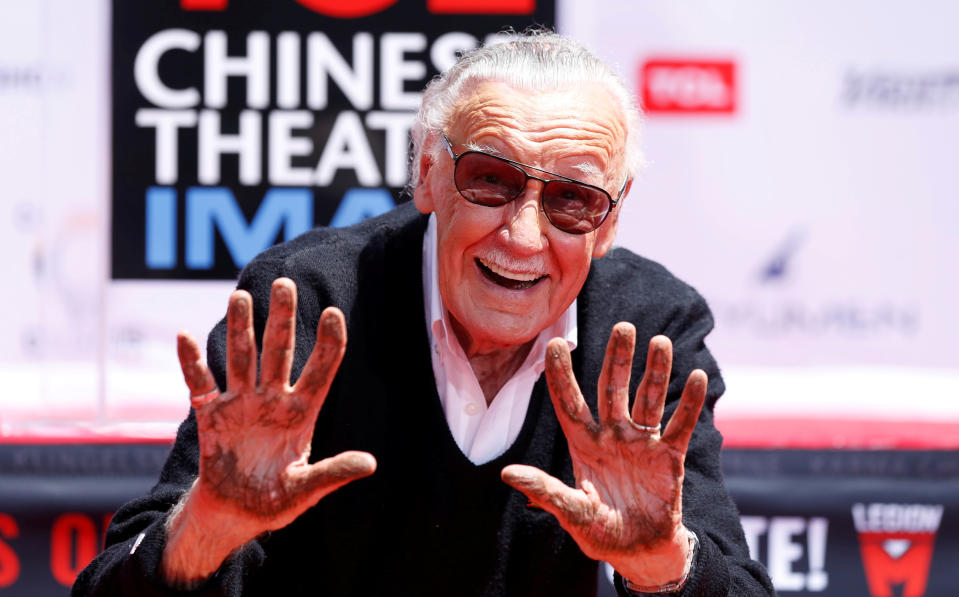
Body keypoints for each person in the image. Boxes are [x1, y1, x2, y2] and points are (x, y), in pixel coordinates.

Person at [75, 32, 773, 596]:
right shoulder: (309, 302)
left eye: (571, 200)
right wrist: (209, 526)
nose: (523, 236)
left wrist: (662, 564)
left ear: (610, 221)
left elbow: (731, 583)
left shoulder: (647, 332)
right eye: (490, 180)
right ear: (429, 177)